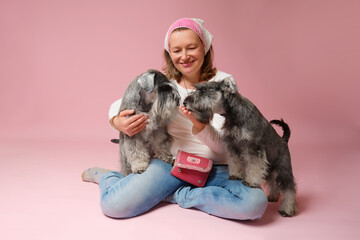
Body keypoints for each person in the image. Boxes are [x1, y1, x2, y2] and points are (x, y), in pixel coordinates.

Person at [82, 18, 268, 220]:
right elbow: (120, 104)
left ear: (204, 48)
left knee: (254, 204)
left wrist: (200, 126)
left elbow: (226, 148)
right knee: (114, 206)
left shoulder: (223, 83)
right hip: (170, 166)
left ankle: (179, 195)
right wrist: (117, 121)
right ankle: (107, 177)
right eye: (177, 50)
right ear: (169, 53)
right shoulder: (165, 85)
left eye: (191, 48)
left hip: (217, 168)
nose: (185, 56)